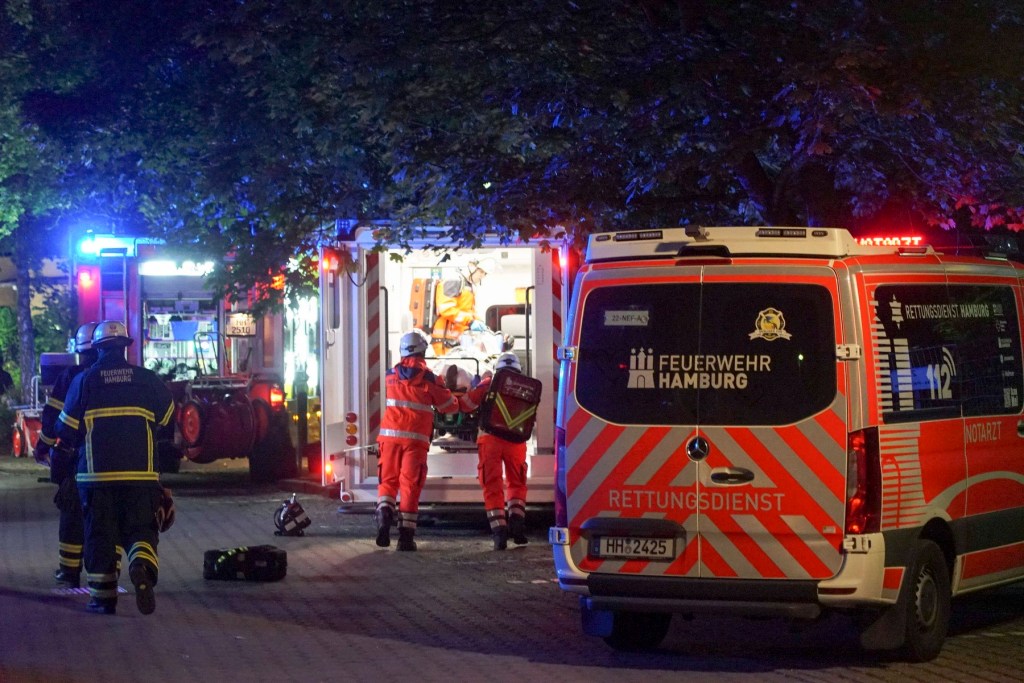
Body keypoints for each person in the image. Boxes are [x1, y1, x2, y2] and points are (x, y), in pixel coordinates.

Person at [56, 320, 174, 615]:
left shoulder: (84, 381)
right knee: (141, 528)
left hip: (96, 477)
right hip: (142, 475)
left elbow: (65, 429)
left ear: (96, 349)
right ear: (125, 347)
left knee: (100, 535)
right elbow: (168, 418)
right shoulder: (147, 379)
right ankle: (141, 565)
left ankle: (103, 599)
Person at [375, 330, 459, 551]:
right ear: (423, 351)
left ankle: (384, 516)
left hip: (389, 439)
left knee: (387, 482)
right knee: (410, 486)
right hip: (415, 442)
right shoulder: (430, 379)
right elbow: (449, 406)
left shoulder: (390, 376)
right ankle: (405, 539)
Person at [33, 322, 99, 588]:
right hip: (111, 459)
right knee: (105, 515)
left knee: (72, 511)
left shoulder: (71, 377)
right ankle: (106, 568)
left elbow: (53, 418)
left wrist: (43, 446)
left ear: (80, 351)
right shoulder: (119, 378)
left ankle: (70, 570)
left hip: (75, 457)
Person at [458, 352, 531, 550]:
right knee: (517, 483)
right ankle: (517, 523)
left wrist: (476, 385)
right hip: (516, 442)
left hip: (490, 440)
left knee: (492, 485)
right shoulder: (526, 386)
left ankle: (499, 533)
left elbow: (466, 404)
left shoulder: (489, 383)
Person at [430, 257, 494, 356]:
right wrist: (470, 322)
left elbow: (469, 311)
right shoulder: (454, 281)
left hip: (457, 339)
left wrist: (479, 322)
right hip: (445, 339)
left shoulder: (468, 286)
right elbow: (446, 309)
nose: (482, 276)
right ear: (471, 267)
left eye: (485, 274)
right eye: (481, 271)